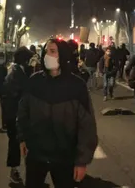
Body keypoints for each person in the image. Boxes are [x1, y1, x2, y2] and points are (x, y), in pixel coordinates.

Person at [17, 39, 98, 188]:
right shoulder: (34, 82)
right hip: (36, 154)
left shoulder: (76, 86)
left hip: (65, 156)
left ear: (63, 55)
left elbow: (87, 126)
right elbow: (23, 112)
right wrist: (22, 137)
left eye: (53, 51)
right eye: (46, 51)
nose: (48, 55)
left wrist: (82, 161)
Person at [3, 46, 33, 184]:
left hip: (14, 115)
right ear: (24, 60)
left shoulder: (16, 71)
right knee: (16, 144)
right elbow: (18, 95)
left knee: (17, 144)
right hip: (15, 116)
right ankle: (14, 172)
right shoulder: (15, 74)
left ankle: (16, 171)